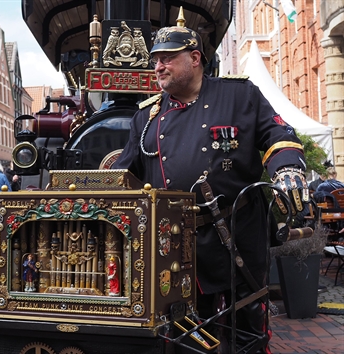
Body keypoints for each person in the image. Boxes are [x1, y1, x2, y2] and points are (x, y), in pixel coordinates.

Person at [112, 25, 308, 353]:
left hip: (237, 232)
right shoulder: (146, 116)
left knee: (246, 326)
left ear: (195, 58)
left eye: (167, 58)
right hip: (175, 243)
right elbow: (123, 175)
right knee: (185, 328)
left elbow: (277, 134)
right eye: (156, 59)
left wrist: (287, 169)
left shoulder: (239, 95)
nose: (158, 66)